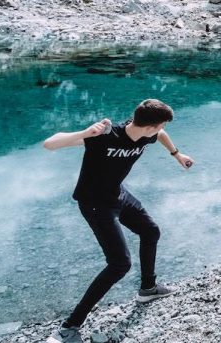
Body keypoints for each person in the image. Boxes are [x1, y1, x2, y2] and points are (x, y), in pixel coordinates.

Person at [42, 99, 195, 343]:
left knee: (150, 231)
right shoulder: (104, 136)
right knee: (119, 264)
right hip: (94, 203)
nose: (161, 129)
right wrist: (85, 132)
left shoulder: (147, 134)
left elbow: (162, 133)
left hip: (117, 194)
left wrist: (177, 155)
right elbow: (49, 144)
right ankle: (69, 326)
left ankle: (148, 289)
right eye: (160, 125)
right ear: (149, 126)